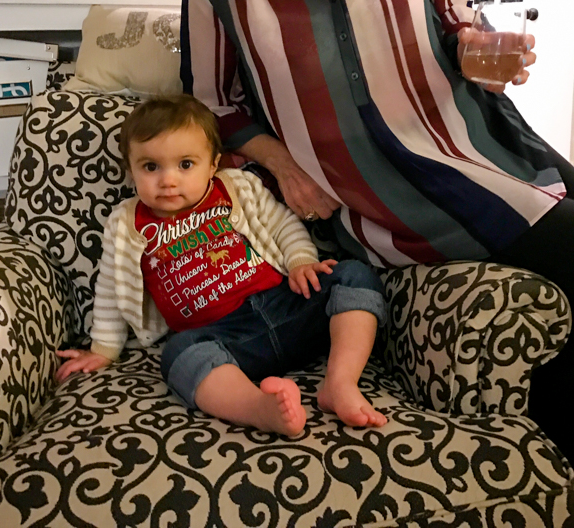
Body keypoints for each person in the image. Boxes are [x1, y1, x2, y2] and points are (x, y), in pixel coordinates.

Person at [172, 0, 574, 460]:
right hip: (378, 217)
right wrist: (284, 165)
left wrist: (481, 51)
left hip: (484, 159)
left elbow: (455, 22)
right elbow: (212, 106)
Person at [56, 95, 388, 436]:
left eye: (185, 164)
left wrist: (301, 261)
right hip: (225, 340)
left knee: (351, 275)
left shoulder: (236, 188)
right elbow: (111, 287)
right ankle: (259, 408)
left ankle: (340, 382)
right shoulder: (125, 224)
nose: (168, 180)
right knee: (178, 354)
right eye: (150, 167)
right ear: (130, 170)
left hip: (286, 307)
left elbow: (283, 225)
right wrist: (103, 349)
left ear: (213, 164)